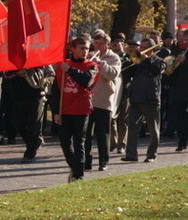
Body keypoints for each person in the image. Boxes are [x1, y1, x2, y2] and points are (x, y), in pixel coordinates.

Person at [51, 37, 99, 182]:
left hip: (82, 110)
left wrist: (70, 70)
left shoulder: (92, 65)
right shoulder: (63, 65)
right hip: (65, 110)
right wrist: (55, 112)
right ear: (73, 49)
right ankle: (75, 166)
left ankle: (79, 175)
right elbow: (56, 91)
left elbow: (86, 81)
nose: (85, 52)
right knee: (64, 141)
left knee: (79, 142)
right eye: (81, 48)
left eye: (87, 49)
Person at [122, 38, 166, 162]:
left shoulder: (159, 61)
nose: (141, 50)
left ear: (152, 49)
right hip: (136, 98)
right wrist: (129, 60)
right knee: (132, 127)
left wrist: (147, 59)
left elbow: (157, 71)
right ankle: (131, 155)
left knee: (153, 129)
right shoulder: (137, 61)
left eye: (144, 47)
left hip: (151, 100)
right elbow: (126, 73)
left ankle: (151, 155)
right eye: (140, 47)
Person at [84, 30, 122, 171]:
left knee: (103, 133)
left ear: (107, 44)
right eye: (96, 43)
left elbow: (113, 74)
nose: (98, 46)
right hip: (88, 99)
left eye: (101, 43)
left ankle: (103, 161)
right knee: (86, 133)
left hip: (104, 100)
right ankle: (86, 161)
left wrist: (100, 63)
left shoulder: (114, 58)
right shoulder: (88, 56)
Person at [10, 65, 54, 163]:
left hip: (36, 95)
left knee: (34, 124)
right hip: (18, 95)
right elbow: (6, 75)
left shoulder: (39, 58)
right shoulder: (15, 59)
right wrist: (17, 74)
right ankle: (33, 143)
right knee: (18, 124)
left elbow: (51, 74)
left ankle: (30, 152)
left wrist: (43, 81)